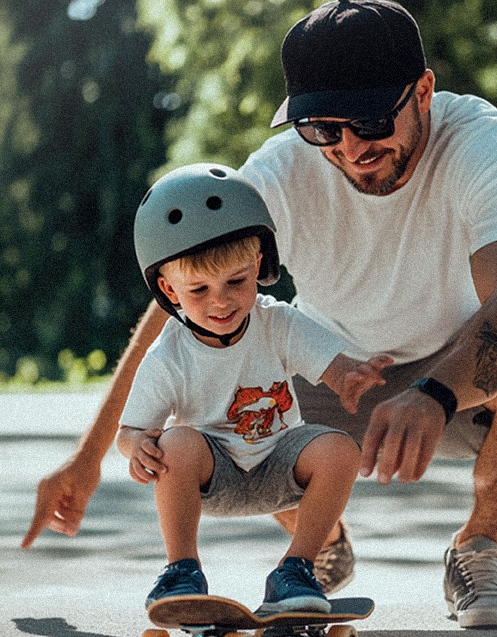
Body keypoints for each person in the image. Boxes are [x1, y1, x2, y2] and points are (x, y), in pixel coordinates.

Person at [23, 0, 497, 628]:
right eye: (322, 129)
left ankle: (478, 548)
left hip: (459, 373)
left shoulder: (488, 144)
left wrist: (434, 393)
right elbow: (176, 312)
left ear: (423, 92)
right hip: (326, 372)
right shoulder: (278, 175)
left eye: (371, 120)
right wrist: (88, 458)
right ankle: (318, 546)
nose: (350, 147)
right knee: (212, 377)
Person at [117, 163, 394, 614]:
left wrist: (350, 378)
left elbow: (333, 366)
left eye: (236, 281)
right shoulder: (169, 355)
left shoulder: (277, 322)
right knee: (176, 442)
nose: (221, 301)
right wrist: (137, 448)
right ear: (169, 289)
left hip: (280, 464)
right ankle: (182, 571)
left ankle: (296, 570)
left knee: (340, 449)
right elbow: (128, 432)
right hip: (214, 474)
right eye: (198, 289)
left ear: (259, 265)